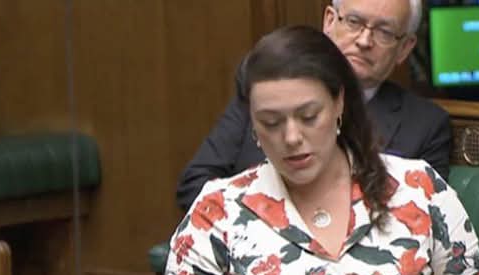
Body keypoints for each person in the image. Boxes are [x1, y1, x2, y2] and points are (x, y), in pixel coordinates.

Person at [158, 26, 479, 275]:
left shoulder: (417, 187)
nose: (291, 137)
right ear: (251, 122)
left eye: (308, 116)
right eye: (271, 122)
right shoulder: (219, 209)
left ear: (339, 104)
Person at [176, 0, 452, 211]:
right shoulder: (266, 92)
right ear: (330, 21)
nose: (364, 41)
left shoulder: (425, 125)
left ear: (405, 48)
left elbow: (420, 215)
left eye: (384, 32)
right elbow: (195, 185)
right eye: (354, 22)